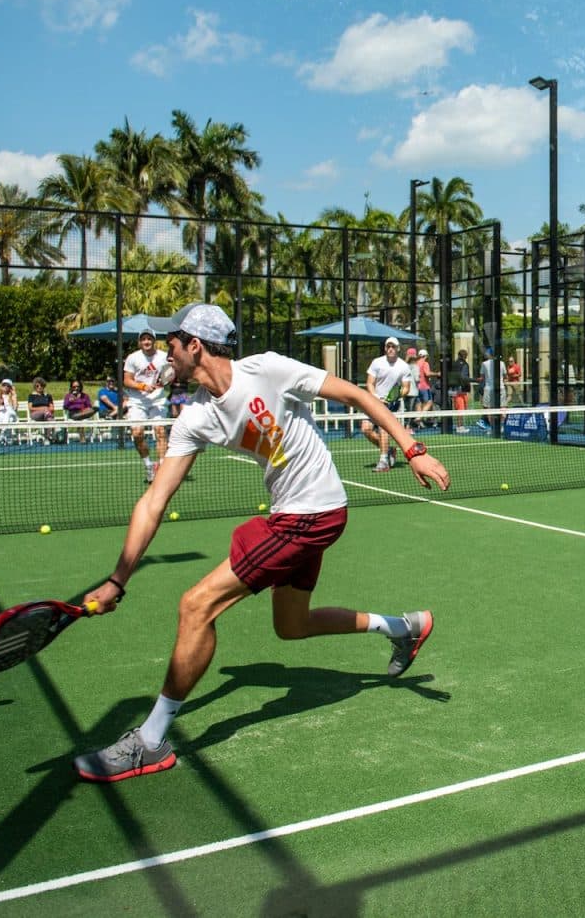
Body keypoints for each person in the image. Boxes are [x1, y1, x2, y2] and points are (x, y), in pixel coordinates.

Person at [72, 302, 450, 783]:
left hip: (311, 513)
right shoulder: (194, 419)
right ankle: (403, 627)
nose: (166, 352)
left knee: (196, 606)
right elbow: (154, 501)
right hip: (298, 514)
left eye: (172, 343)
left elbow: (356, 395)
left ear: (196, 346)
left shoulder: (267, 370)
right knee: (291, 627)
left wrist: (412, 449)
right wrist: (117, 579)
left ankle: (150, 741)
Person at [124, 329, 171, 482]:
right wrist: (143, 387)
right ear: (139, 342)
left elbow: (170, 374)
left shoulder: (164, 357)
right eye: (143, 339)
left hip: (158, 401)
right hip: (137, 402)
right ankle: (149, 465)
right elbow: (127, 380)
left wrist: (164, 381)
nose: (146, 342)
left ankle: (163, 469)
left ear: (154, 341)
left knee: (160, 432)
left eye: (149, 339)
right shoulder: (133, 358)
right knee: (137, 434)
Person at [362, 338, 410, 471]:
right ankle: (389, 450)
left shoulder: (403, 366)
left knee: (383, 428)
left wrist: (396, 396)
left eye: (393, 347)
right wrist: (376, 397)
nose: (390, 349)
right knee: (365, 429)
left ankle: (383, 461)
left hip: (390, 405)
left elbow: (406, 387)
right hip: (373, 401)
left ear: (398, 349)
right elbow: (370, 383)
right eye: (388, 346)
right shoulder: (377, 363)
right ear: (385, 348)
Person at [478, 347, 507, 432]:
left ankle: (493, 427)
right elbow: (505, 376)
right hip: (500, 388)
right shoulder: (502, 363)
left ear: (489, 354)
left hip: (488, 389)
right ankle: (501, 426)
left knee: (488, 408)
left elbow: (482, 377)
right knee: (502, 407)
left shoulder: (484, 364)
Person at [0, 378, 20, 444]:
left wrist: (14, 396)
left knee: (9, 413)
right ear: (1, 386)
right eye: (4, 385)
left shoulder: (13, 396)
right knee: (9, 418)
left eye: (8, 386)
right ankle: (8, 437)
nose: (6, 387)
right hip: (1, 417)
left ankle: (3, 433)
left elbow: (15, 408)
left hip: (13, 414)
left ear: (10, 387)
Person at [414, 348, 434, 425]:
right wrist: (437, 374)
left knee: (419, 403)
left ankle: (419, 422)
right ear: (425, 356)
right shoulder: (425, 363)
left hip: (416, 387)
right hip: (424, 387)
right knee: (429, 402)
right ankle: (419, 417)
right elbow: (427, 373)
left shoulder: (415, 363)